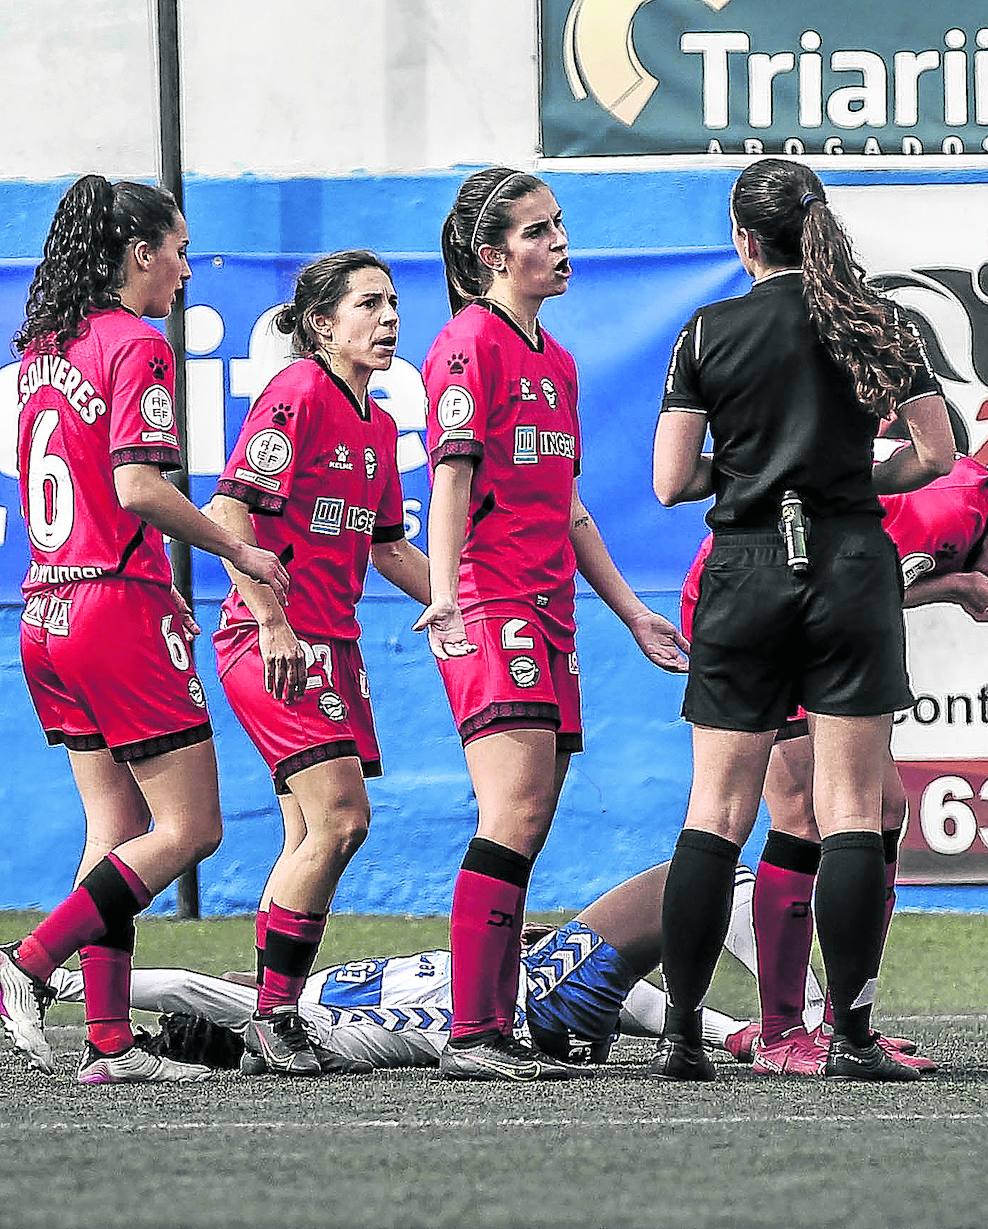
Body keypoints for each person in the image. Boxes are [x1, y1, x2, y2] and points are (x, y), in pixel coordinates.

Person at [651, 157, 957, 1082]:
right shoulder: (879, 320)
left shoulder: (707, 330)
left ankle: (681, 1033)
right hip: (850, 564)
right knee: (851, 808)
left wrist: (754, 471)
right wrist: (846, 471)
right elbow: (936, 455)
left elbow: (671, 479)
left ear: (744, 238)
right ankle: (853, 1037)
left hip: (745, 569)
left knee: (716, 809)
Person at [682, 447, 988, 1074]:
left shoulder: (975, 513)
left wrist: (955, 586)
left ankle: (848, 1023)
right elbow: (845, 583)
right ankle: (780, 1032)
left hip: (808, 617)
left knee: (883, 809)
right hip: (757, 609)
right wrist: (956, 586)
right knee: (800, 814)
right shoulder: (944, 514)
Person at [0, 175, 288, 1084]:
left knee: (117, 825)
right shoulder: (135, 342)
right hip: (113, 609)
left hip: (47, 609)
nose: (186, 269)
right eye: (179, 251)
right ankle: (25, 965)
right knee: (192, 827)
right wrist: (237, 550)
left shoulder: (44, 348)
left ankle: (110, 1042)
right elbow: (136, 486)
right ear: (139, 254)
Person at [414, 166, 689, 1081]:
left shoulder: (557, 361)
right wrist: (446, 592)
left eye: (559, 224)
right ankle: (474, 1032)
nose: (560, 242)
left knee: (529, 819)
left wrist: (633, 613)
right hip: (493, 604)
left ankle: (493, 1023)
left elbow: (568, 509)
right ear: (493, 256)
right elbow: (450, 475)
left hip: (551, 612)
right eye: (537, 231)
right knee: (515, 809)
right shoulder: (468, 343)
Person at [205, 251, 430, 1076]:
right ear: (322, 325)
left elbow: (389, 547)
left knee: (309, 832)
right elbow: (227, 511)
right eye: (368, 303)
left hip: (332, 643)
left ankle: (260, 1017)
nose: (389, 316)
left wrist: (462, 603)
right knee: (342, 819)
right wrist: (271, 622)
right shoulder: (297, 391)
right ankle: (274, 1016)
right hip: (272, 640)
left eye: (392, 301)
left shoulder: (377, 425)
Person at [48, 862, 770, 1074]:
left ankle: (748, 1034)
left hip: (535, 1005)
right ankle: (796, 1022)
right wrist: (60, 973)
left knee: (690, 886)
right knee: (694, 875)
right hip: (531, 1012)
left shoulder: (307, 992)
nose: (242, 981)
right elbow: (186, 986)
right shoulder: (300, 1026)